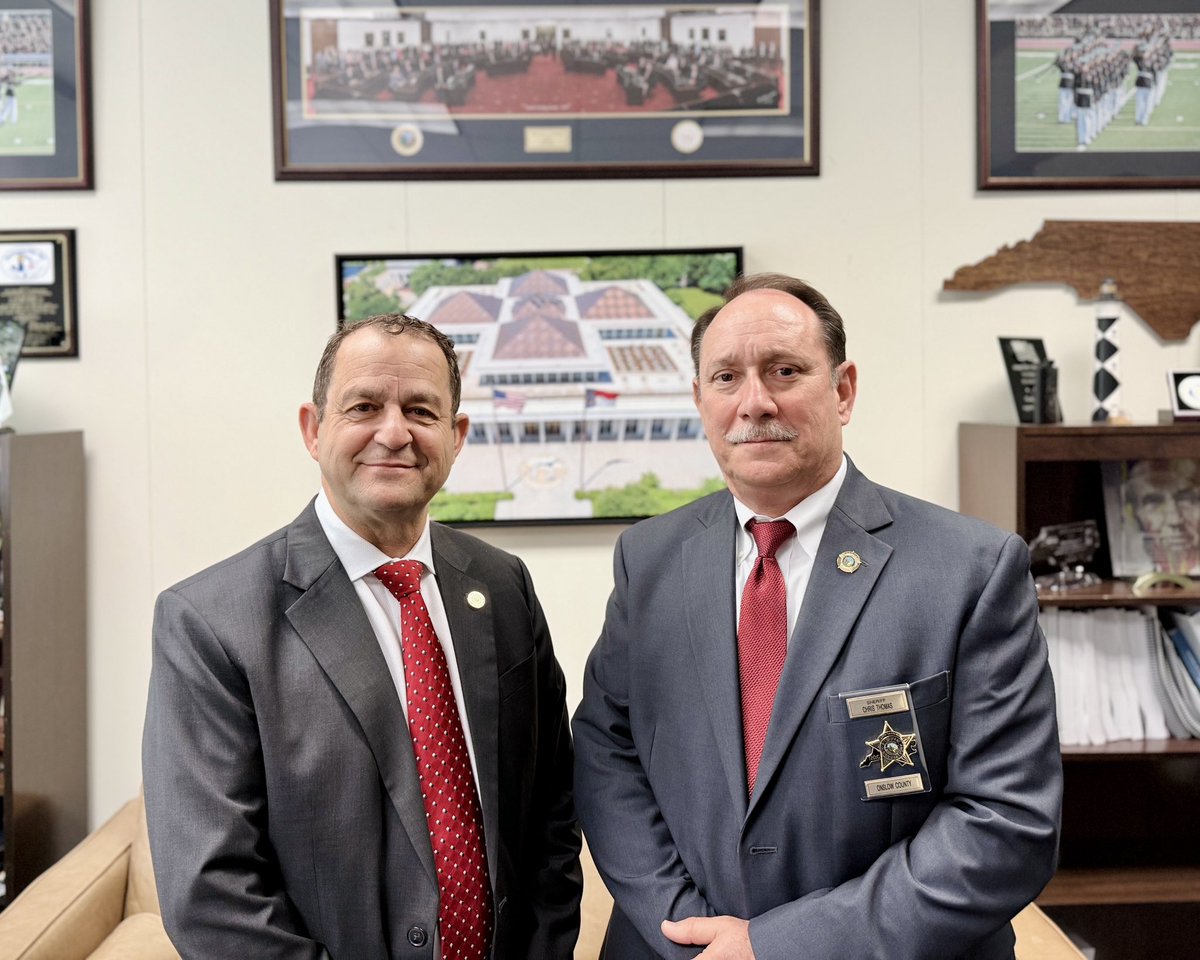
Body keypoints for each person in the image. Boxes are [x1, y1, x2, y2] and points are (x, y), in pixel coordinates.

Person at [572, 273, 1062, 959]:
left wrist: (776, 947)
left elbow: (1005, 824)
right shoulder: (649, 559)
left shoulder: (971, 571)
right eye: (725, 378)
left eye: (785, 371)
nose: (754, 402)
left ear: (843, 389)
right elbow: (608, 753)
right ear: (698, 401)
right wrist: (685, 928)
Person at [143, 314, 581, 959]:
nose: (395, 432)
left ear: (456, 436)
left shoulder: (503, 585)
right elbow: (212, 896)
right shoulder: (209, 621)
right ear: (313, 429)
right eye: (364, 406)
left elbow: (550, 812)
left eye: (422, 410)